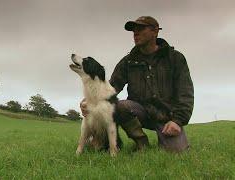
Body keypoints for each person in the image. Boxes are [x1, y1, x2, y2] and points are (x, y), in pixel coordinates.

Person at [80, 16, 194, 152]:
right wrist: (88, 101)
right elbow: (110, 88)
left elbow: (185, 92)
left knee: (177, 152)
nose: (135, 33)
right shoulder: (128, 61)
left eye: (140, 29)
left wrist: (177, 121)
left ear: (155, 31)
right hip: (139, 111)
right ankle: (141, 143)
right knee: (120, 106)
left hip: (167, 116)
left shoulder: (175, 58)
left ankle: (168, 139)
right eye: (133, 30)